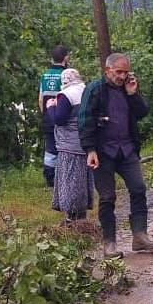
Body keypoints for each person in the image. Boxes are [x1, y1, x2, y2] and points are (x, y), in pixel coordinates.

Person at [78, 52, 153, 258]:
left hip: (126, 150)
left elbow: (142, 113)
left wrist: (133, 94)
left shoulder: (127, 89)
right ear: (107, 70)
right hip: (102, 152)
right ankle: (109, 244)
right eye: (118, 72)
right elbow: (84, 121)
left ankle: (140, 236)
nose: (122, 76)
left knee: (138, 188)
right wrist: (90, 150)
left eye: (125, 72)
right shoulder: (94, 90)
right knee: (107, 197)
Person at [45, 68, 94, 223]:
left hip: (69, 146)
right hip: (86, 144)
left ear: (64, 80)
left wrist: (51, 107)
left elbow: (59, 119)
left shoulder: (66, 95)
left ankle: (71, 218)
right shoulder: (86, 91)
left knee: (70, 182)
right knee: (83, 182)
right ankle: (81, 216)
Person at [39, 45, 70, 187]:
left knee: (50, 147)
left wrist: (45, 114)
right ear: (66, 57)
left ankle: (49, 177)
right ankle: (64, 176)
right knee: (64, 145)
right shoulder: (67, 74)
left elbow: (41, 98)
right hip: (63, 116)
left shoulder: (44, 75)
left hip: (47, 117)